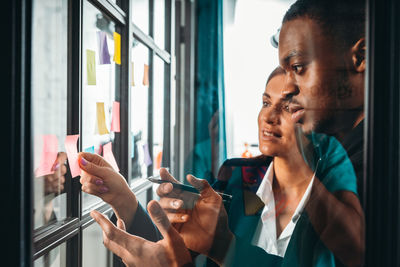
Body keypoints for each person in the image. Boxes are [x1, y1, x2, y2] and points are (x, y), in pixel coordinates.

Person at [80, 67, 362, 266]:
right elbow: (180, 253)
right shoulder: (238, 178)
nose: (269, 117)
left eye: (288, 106)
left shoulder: (341, 198)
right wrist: (123, 198)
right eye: (265, 102)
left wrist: (223, 247)